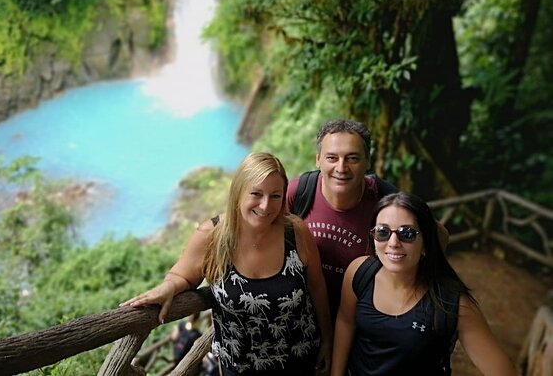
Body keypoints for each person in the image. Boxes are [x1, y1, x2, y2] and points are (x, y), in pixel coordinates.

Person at [122, 152, 332, 375]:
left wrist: (328, 340)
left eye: (275, 196)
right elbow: (182, 275)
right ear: (238, 192)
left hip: (300, 363)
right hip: (239, 368)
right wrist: (168, 287)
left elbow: (317, 286)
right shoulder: (212, 236)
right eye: (256, 194)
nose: (265, 205)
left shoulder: (295, 232)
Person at [331, 192, 518, 376]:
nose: (393, 242)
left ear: (426, 243)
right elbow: (346, 322)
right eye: (383, 232)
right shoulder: (359, 272)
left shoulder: (453, 303)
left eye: (407, 233)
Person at [286, 118, 400, 323]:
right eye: (332, 158)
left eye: (352, 158)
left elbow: (436, 237)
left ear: (368, 161)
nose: (341, 167)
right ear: (318, 159)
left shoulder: (385, 199)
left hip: (362, 320)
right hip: (303, 317)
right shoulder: (299, 192)